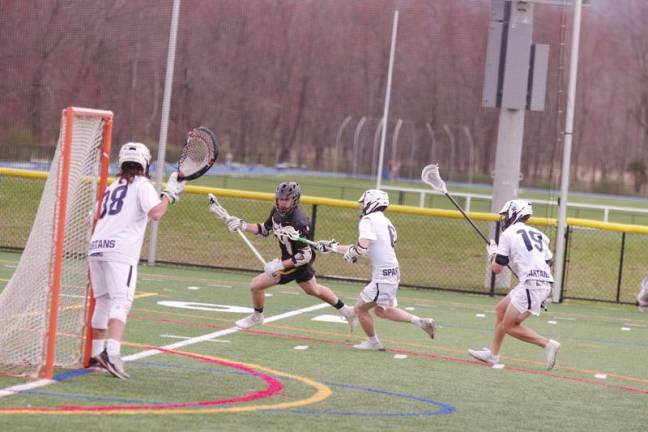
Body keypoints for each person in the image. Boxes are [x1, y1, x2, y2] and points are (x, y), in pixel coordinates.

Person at [88, 142, 185, 379]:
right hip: (120, 251)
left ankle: (96, 354)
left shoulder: (112, 186)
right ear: (145, 162)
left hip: (96, 247)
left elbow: (92, 217)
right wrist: (170, 194)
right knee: (121, 301)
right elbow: (156, 213)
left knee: (103, 301)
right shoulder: (142, 184)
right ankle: (112, 353)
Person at [211, 181, 356, 329]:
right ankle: (346, 311)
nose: (282, 202)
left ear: (295, 199)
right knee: (313, 289)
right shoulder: (277, 211)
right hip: (293, 260)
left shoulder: (299, 220)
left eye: (286, 199)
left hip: (295, 262)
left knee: (255, 286)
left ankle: (257, 316)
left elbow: (304, 255)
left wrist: (279, 265)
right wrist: (243, 225)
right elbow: (265, 229)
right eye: (280, 198)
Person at [316, 189, 437, 351]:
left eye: (364, 203)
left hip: (383, 276)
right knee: (382, 311)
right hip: (393, 272)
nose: (362, 207)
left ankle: (374, 342)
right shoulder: (385, 221)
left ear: (372, 203)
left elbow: (362, 248)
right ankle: (421, 322)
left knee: (359, 309)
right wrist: (334, 247)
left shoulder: (368, 220)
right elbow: (369, 248)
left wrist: (351, 254)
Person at [468, 200, 561, 370]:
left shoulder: (508, 233)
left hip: (531, 284)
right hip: (541, 282)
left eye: (506, 215)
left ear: (514, 213)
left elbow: (496, 268)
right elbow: (549, 264)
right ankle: (493, 354)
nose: (504, 219)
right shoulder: (539, 234)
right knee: (501, 310)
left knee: (509, 325)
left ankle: (548, 344)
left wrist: (492, 254)